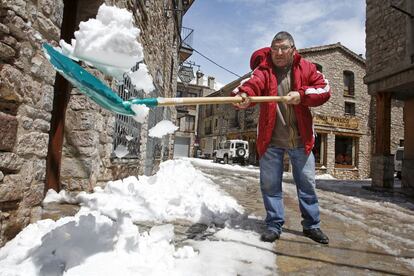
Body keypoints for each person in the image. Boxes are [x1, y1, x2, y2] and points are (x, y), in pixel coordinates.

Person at [233, 31, 330, 244]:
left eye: (283, 48)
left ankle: (312, 226)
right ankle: (274, 224)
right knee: (270, 185)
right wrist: (243, 95)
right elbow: (251, 84)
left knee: (307, 185)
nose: (278, 53)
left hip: (300, 139)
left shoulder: (306, 68)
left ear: (293, 49)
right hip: (271, 140)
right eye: (275, 48)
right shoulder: (264, 68)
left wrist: (302, 95)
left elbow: (324, 89)